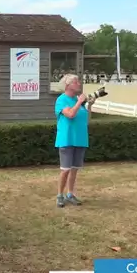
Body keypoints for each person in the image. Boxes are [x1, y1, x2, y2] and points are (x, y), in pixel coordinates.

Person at [54, 74, 94, 208]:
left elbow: (86, 121)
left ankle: (70, 194)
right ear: (68, 85)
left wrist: (89, 106)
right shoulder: (62, 100)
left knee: (74, 169)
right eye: (76, 82)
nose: (79, 83)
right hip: (67, 139)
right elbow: (70, 115)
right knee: (65, 169)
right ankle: (60, 195)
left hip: (80, 139)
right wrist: (79, 103)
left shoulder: (79, 101)